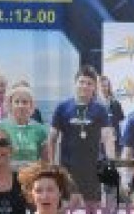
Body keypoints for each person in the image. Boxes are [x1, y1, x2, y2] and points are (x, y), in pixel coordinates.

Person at [49, 65, 115, 203]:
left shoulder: (100, 109)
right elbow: (52, 138)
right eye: (82, 82)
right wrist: (51, 164)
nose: (85, 86)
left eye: (89, 83)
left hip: (92, 169)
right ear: (75, 83)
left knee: (93, 208)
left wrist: (111, 163)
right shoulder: (62, 107)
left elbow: (108, 137)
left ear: (94, 87)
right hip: (68, 169)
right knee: (68, 208)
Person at [0, 82, 50, 169]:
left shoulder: (40, 130)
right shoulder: (0, 127)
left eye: (25, 102)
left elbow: (46, 161)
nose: (20, 106)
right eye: (17, 102)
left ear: (31, 105)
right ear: (10, 105)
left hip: (31, 176)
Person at [99, 73, 126, 151]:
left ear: (109, 87)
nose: (104, 88)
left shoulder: (115, 103)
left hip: (113, 140)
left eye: (105, 86)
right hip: (98, 140)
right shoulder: (93, 104)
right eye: (101, 86)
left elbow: (121, 121)